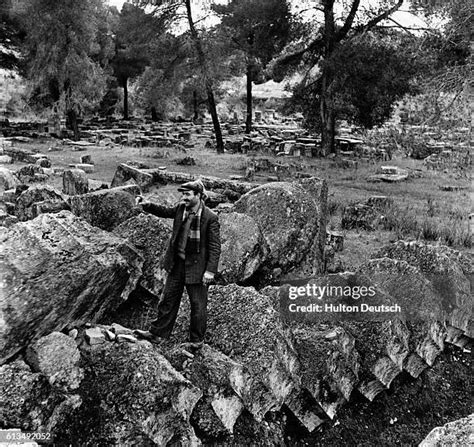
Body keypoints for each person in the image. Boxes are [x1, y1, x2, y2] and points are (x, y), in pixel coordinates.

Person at [134, 179, 221, 348]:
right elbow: (165, 211)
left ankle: (196, 341)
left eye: (188, 194)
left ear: (199, 196)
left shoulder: (210, 217)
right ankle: (157, 333)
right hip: (177, 263)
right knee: (168, 300)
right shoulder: (181, 209)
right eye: (183, 194)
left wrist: (210, 271)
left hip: (197, 267)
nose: (184, 198)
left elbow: (215, 247)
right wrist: (147, 204)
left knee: (198, 306)